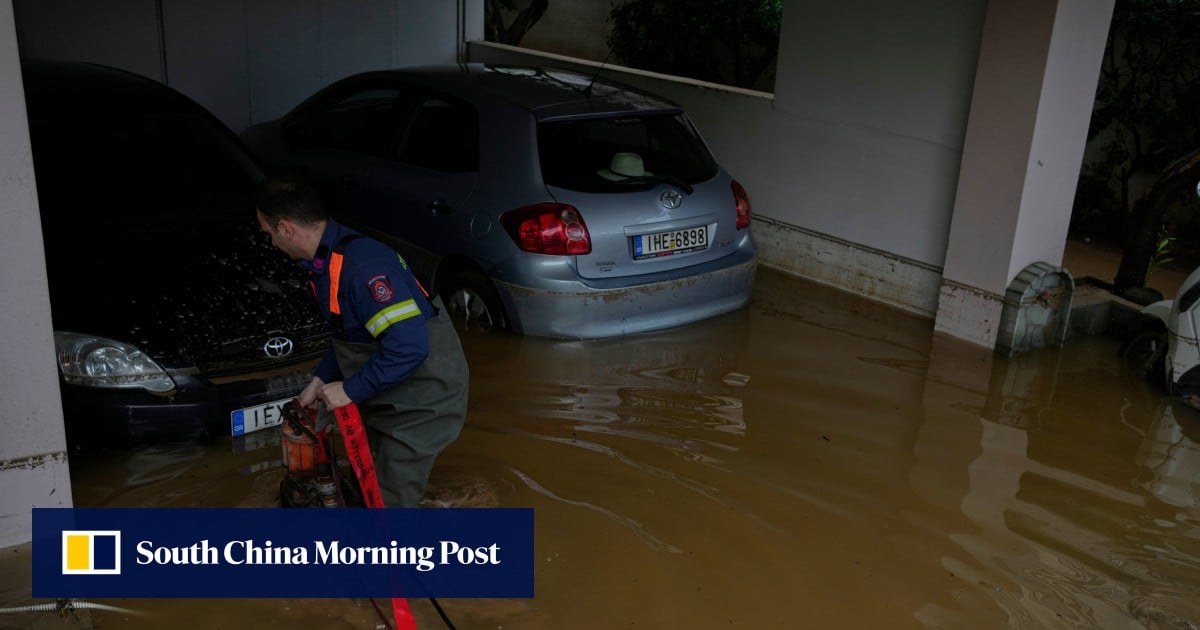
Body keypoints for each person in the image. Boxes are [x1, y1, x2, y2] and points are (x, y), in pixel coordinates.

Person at [255, 172, 468, 508]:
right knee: (361, 483)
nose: (272, 244)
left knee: (386, 506)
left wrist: (350, 390)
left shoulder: (364, 268)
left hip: (424, 400)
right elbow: (350, 334)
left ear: (285, 228)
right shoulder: (325, 263)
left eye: (269, 234)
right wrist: (320, 380)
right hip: (388, 390)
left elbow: (409, 346)